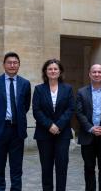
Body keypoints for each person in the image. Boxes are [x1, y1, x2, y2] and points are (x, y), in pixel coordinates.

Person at [0, 52, 31, 191]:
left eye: (15, 62)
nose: (12, 65)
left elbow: (25, 106)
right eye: (9, 62)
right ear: (4, 65)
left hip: (17, 130)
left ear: (19, 65)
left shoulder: (25, 83)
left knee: (17, 167)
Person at [32, 59, 74, 191]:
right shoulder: (39, 89)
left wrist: (59, 125)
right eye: (50, 69)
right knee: (46, 167)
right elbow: (36, 110)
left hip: (63, 134)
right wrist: (50, 125)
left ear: (60, 71)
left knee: (62, 167)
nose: (53, 71)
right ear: (45, 71)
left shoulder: (68, 89)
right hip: (44, 134)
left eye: (55, 69)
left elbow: (70, 109)